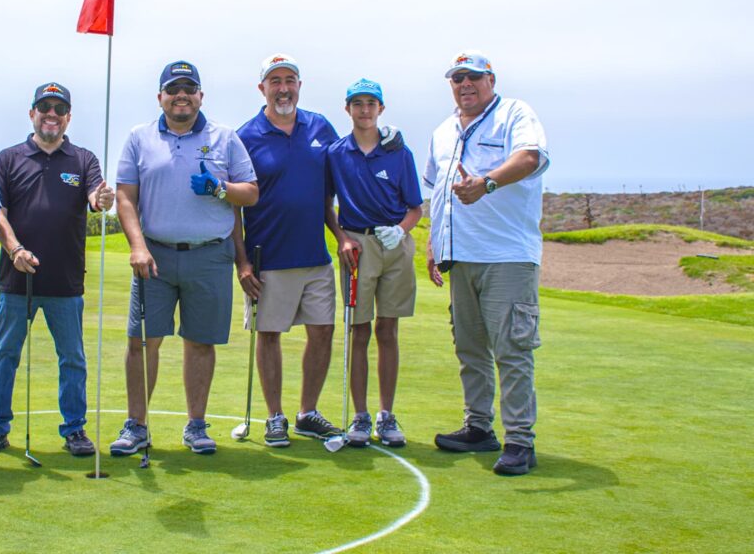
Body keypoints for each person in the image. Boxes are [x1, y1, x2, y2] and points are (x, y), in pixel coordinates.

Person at [110, 60, 258, 456]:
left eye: (189, 88)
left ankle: (196, 425)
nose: (181, 95)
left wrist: (220, 188)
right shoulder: (139, 138)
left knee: (200, 342)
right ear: (160, 96)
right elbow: (126, 196)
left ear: (200, 96)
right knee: (142, 341)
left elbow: (251, 192)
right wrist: (137, 245)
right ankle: (137, 425)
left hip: (209, 255)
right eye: (173, 88)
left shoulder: (224, 138)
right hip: (153, 255)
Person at [423, 50, 549, 475]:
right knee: (470, 347)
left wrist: (488, 182)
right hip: (462, 257)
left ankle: (519, 441)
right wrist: (432, 244)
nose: (465, 85)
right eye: (458, 79)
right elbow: (436, 190)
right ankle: (478, 427)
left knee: (512, 349)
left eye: (474, 77)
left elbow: (530, 158)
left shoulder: (515, 113)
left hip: (507, 257)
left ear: (491, 80)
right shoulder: (442, 130)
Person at [0, 82, 114, 458]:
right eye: (44, 107)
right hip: (18, 277)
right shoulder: (8, 159)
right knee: (5, 355)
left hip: (66, 280)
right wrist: (14, 248)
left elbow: (94, 199)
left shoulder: (83, 159)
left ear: (68, 117)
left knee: (72, 358)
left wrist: (101, 199)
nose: (51, 114)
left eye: (59, 108)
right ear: (32, 113)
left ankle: (74, 430)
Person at [232, 53, 344, 447]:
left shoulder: (320, 128)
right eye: (275, 80)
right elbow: (234, 207)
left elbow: (329, 193)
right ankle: (274, 416)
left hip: (315, 256)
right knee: (269, 334)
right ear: (262, 87)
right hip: (269, 257)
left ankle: (307, 413)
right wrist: (242, 261)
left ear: (299, 85)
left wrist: (341, 235)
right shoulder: (245, 136)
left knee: (323, 331)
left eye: (290, 80)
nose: (283, 88)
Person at [326, 78, 423, 448]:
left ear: (381, 108)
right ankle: (360, 416)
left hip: (394, 243)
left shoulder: (399, 152)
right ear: (347, 108)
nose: (364, 110)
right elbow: (327, 204)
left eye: (371, 103)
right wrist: (343, 238)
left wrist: (400, 231)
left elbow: (415, 207)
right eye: (357, 103)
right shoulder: (336, 153)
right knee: (358, 331)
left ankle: (386, 414)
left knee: (388, 330)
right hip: (357, 246)